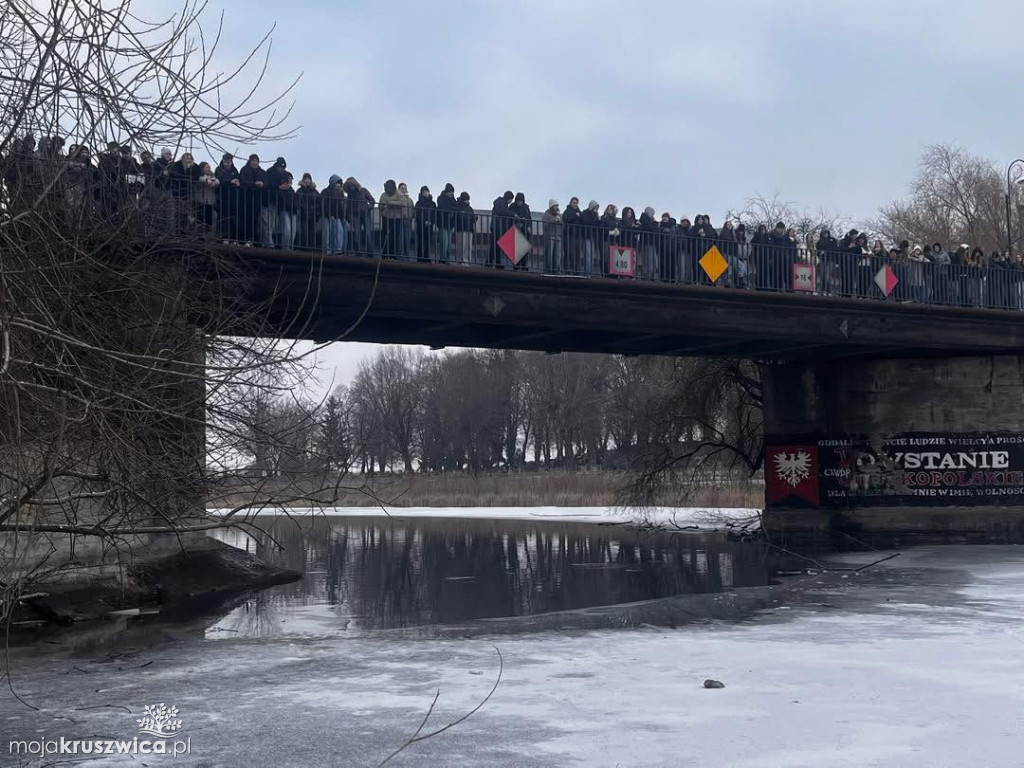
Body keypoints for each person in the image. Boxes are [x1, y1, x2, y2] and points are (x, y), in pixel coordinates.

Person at [238, 153, 268, 245]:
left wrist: (262, 185)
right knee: (245, 219)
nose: (255, 162)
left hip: (257, 199)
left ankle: (252, 240)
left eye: (256, 161)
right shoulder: (244, 170)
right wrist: (254, 184)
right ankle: (243, 239)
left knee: (255, 220)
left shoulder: (262, 172)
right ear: (250, 161)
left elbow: (267, 183)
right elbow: (243, 181)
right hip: (246, 198)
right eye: (253, 160)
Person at [168, 151, 201, 232]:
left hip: (188, 193)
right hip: (177, 192)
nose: (188, 160)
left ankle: (185, 232)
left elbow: (197, 175)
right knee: (178, 214)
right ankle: (177, 231)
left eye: (190, 159)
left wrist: (192, 167)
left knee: (187, 214)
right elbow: (177, 176)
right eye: (187, 158)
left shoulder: (193, 166)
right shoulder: (177, 165)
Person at [214, 153, 240, 241]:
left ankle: (232, 238)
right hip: (222, 197)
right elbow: (219, 179)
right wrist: (230, 181)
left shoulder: (234, 170)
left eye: (229, 162)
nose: (228, 163)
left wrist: (237, 182)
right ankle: (223, 237)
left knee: (233, 218)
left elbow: (237, 178)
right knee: (223, 218)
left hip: (233, 197)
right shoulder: (219, 169)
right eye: (226, 161)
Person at [320, 175, 347, 254]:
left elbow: (339, 207)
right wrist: (328, 214)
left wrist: (342, 217)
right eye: (338, 183)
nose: (339, 185)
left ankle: (338, 250)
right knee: (327, 234)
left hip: (336, 216)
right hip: (327, 216)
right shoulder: (325, 192)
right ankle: (327, 250)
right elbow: (324, 204)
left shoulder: (339, 193)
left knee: (339, 232)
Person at [379, 179, 405, 257]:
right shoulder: (383, 195)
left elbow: (403, 203)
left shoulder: (399, 194)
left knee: (394, 237)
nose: (388, 189)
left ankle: (393, 254)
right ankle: (384, 254)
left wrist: (389, 203)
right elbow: (380, 205)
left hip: (396, 218)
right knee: (384, 235)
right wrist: (382, 206)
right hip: (386, 217)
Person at [296, 173, 321, 250]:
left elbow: (319, 202)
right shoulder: (299, 191)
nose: (307, 181)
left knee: (312, 232)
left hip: (313, 215)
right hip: (303, 214)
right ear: (303, 180)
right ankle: (304, 247)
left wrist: (317, 211)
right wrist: (301, 209)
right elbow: (298, 201)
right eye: (305, 179)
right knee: (305, 232)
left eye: (308, 179)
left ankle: (311, 248)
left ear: (310, 180)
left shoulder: (315, 191)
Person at [490, 190, 514, 268]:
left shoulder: (501, 202)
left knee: (496, 245)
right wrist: (513, 214)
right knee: (495, 245)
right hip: (497, 226)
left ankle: (492, 262)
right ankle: (492, 262)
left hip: (498, 226)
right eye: (511, 199)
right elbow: (502, 212)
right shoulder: (501, 203)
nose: (511, 201)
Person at [194, 161, 219, 233]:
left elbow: (217, 181)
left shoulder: (212, 175)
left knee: (209, 218)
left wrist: (212, 181)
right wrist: (206, 180)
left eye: (209, 167)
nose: (209, 169)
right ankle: (199, 234)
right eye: (207, 167)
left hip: (210, 201)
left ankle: (207, 233)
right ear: (202, 168)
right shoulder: (199, 175)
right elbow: (199, 179)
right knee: (200, 217)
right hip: (200, 200)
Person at [510, 192, 533, 271]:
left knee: (524, 248)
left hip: (524, 229)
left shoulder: (526, 208)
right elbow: (510, 217)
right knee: (516, 248)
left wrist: (529, 226)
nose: (519, 202)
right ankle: (516, 265)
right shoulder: (512, 207)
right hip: (516, 229)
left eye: (521, 201)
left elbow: (529, 218)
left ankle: (524, 264)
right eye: (518, 201)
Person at [414, 186, 437, 262]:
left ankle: (427, 257)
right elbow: (417, 214)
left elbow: (434, 214)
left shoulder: (433, 204)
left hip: (430, 225)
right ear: (421, 193)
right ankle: (420, 258)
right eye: (424, 192)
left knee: (428, 242)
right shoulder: (419, 203)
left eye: (427, 191)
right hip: (421, 225)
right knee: (420, 241)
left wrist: (431, 221)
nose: (426, 193)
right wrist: (424, 221)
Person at [275, 169, 297, 250]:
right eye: (289, 178)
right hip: (284, 210)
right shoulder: (281, 190)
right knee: (287, 229)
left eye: (291, 179)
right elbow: (280, 200)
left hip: (293, 211)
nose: (290, 180)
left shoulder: (293, 191)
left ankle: (290, 247)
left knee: (293, 231)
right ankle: (285, 247)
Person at [438, 183, 459, 263]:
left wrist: (450, 210)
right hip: (443, 224)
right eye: (450, 192)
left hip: (450, 224)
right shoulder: (441, 198)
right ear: (447, 191)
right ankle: (442, 259)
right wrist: (451, 210)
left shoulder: (453, 200)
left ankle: (447, 259)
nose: (451, 193)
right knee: (444, 242)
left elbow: (455, 208)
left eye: (452, 192)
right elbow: (442, 208)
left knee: (448, 244)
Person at [454, 191, 477, 265]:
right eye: (466, 199)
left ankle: (467, 260)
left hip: (469, 229)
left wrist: (475, 218)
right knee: (461, 246)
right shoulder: (458, 207)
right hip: (461, 229)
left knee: (468, 246)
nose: (467, 201)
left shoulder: (469, 208)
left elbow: (473, 217)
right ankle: (461, 260)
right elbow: (456, 217)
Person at [638, 207, 660, 280]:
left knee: (653, 262)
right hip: (647, 243)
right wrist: (655, 223)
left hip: (651, 243)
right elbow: (652, 229)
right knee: (649, 261)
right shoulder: (644, 220)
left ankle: (651, 276)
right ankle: (647, 276)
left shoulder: (647, 220)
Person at [580, 200, 601, 275]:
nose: (596, 209)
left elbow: (597, 225)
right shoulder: (585, 213)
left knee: (592, 256)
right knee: (588, 255)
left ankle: (590, 271)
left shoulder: (596, 215)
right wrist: (595, 219)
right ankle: (587, 272)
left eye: (597, 208)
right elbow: (587, 222)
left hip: (593, 237)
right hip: (587, 237)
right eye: (595, 207)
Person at [563, 197, 583, 273]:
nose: (575, 204)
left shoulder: (579, 212)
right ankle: (567, 269)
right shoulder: (567, 211)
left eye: (576, 203)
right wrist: (575, 216)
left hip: (577, 235)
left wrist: (578, 216)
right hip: (569, 234)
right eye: (574, 202)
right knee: (569, 252)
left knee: (577, 253)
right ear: (570, 203)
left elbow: (582, 221)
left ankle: (576, 269)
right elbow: (565, 219)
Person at [543, 199, 563, 273]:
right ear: (551, 207)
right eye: (555, 206)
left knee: (558, 255)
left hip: (558, 236)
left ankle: (557, 269)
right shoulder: (546, 214)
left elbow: (563, 225)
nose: (556, 208)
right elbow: (545, 225)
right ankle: (549, 269)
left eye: (557, 206)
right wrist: (554, 220)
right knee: (550, 255)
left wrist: (560, 221)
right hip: (550, 236)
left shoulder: (559, 215)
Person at [397, 182, 415, 258]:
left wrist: (410, 216)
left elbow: (413, 210)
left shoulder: (410, 200)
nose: (404, 190)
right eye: (402, 188)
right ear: (399, 189)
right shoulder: (397, 198)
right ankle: (400, 256)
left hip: (408, 220)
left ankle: (407, 256)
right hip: (399, 220)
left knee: (407, 239)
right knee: (400, 239)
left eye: (405, 188)